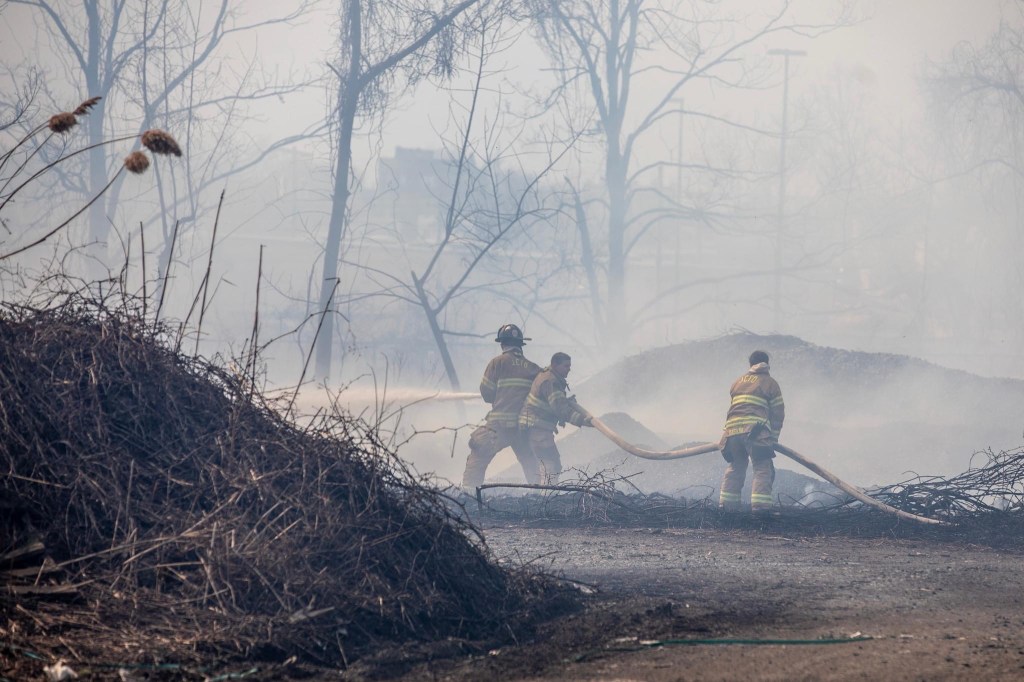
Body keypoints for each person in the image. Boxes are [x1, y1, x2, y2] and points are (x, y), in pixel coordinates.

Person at [461, 324, 543, 488]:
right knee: (530, 461)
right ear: (520, 344)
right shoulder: (534, 368)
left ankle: (470, 494)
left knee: (478, 456)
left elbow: (486, 393)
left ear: (503, 344)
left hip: (499, 426)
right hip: (523, 427)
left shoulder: (497, 363)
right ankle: (539, 494)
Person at [718, 350, 785, 512]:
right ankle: (760, 509)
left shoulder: (737, 382)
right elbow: (778, 414)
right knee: (762, 468)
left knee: (736, 467)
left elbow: (734, 409)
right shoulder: (770, 383)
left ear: (750, 364)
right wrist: (773, 438)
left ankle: (727, 507)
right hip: (756, 433)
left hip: (731, 433)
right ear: (767, 364)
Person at [519, 352, 593, 484]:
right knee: (550, 464)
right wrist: (582, 420)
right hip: (538, 429)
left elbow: (555, 403)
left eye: (569, 366)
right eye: (566, 366)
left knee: (549, 464)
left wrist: (566, 401)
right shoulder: (551, 381)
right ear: (554, 365)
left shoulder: (549, 377)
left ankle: (541, 492)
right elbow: (560, 409)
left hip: (535, 427)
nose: (569, 369)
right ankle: (547, 494)